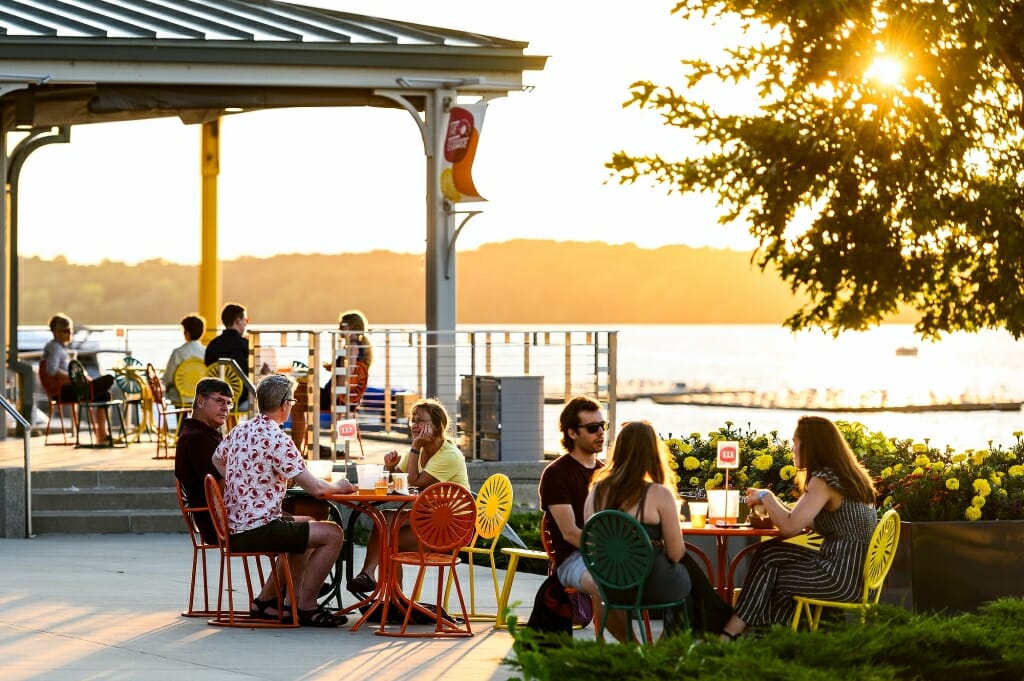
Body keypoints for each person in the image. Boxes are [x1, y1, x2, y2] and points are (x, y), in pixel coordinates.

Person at [212, 373, 356, 627]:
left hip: (236, 526)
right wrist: (341, 486)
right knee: (333, 533)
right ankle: (306, 606)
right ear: (284, 404)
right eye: (292, 401)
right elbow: (318, 490)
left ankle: (269, 601)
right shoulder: (278, 439)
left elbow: (217, 459)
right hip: (258, 528)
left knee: (308, 522)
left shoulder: (241, 429)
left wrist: (246, 479)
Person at [720, 415, 879, 641]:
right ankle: (752, 635)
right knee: (769, 552)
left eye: (796, 443)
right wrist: (773, 506)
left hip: (841, 578)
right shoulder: (846, 477)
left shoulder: (824, 480)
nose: (792, 449)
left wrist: (767, 496)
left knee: (776, 577)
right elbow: (802, 519)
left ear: (811, 446)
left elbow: (790, 528)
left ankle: (747, 636)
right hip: (856, 574)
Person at [346, 397, 469, 595]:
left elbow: (414, 480)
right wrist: (390, 466)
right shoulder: (419, 450)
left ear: (437, 426)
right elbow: (397, 481)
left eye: (421, 420)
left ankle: (393, 599)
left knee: (388, 537)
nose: (415, 425)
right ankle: (371, 579)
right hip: (429, 519)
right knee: (383, 521)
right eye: (413, 420)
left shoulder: (449, 455)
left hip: (451, 528)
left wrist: (415, 447)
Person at [583, 420, 691, 640]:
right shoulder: (659, 494)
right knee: (689, 585)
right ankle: (663, 654)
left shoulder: (596, 491)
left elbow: (592, 544)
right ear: (653, 452)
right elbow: (676, 553)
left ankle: (633, 651)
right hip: (649, 583)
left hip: (610, 584)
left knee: (686, 581)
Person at [535, 395, 606, 635]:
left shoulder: (605, 473)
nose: (601, 433)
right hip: (571, 560)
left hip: (605, 554)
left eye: (602, 426)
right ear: (572, 433)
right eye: (593, 428)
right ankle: (605, 646)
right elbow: (570, 532)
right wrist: (609, 553)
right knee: (603, 583)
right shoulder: (557, 474)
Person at [39, 312, 116, 442]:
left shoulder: (57, 348)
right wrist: (74, 379)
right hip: (63, 391)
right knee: (108, 379)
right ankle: (102, 435)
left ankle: (102, 435)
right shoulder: (55, 348)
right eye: (66, 330)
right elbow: (51, 370)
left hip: (67, 389)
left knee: (104, 394)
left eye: (71, 330)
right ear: (56, 332)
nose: (69, 333)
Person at [173, 376, 233, 544]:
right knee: (306, 524)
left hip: (225, 521)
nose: (225, 408)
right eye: (220, 401)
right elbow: (220, 489)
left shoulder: (201, 434)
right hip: (223, 526)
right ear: (200, 401)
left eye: (228, 403)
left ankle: (282, 572)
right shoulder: (197, 439)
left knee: (301, 526)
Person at [319, 309, 374, 410]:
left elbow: (347, 373)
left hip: (335, 398)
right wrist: (332, 366)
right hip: (344, 398)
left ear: (352, 326)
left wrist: (335, 397)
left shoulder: (352, 347)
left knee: (299, 393)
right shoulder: (358, 346)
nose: (339, 328)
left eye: (342, 324)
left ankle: (297, 425)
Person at [163, 313, 206, 405]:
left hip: (180, 397)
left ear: (187, 333)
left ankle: (181, 419)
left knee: (174, 393)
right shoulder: (206, 352)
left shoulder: (178, 352)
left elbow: (169, 378)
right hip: (202, 396)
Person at [204, 302, 249, 377]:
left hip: (218, 387)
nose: (246, 324)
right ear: (237, 321)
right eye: (246, 320)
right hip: (244, 387)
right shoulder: (245, 345)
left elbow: (209, 368)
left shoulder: (213, 345)